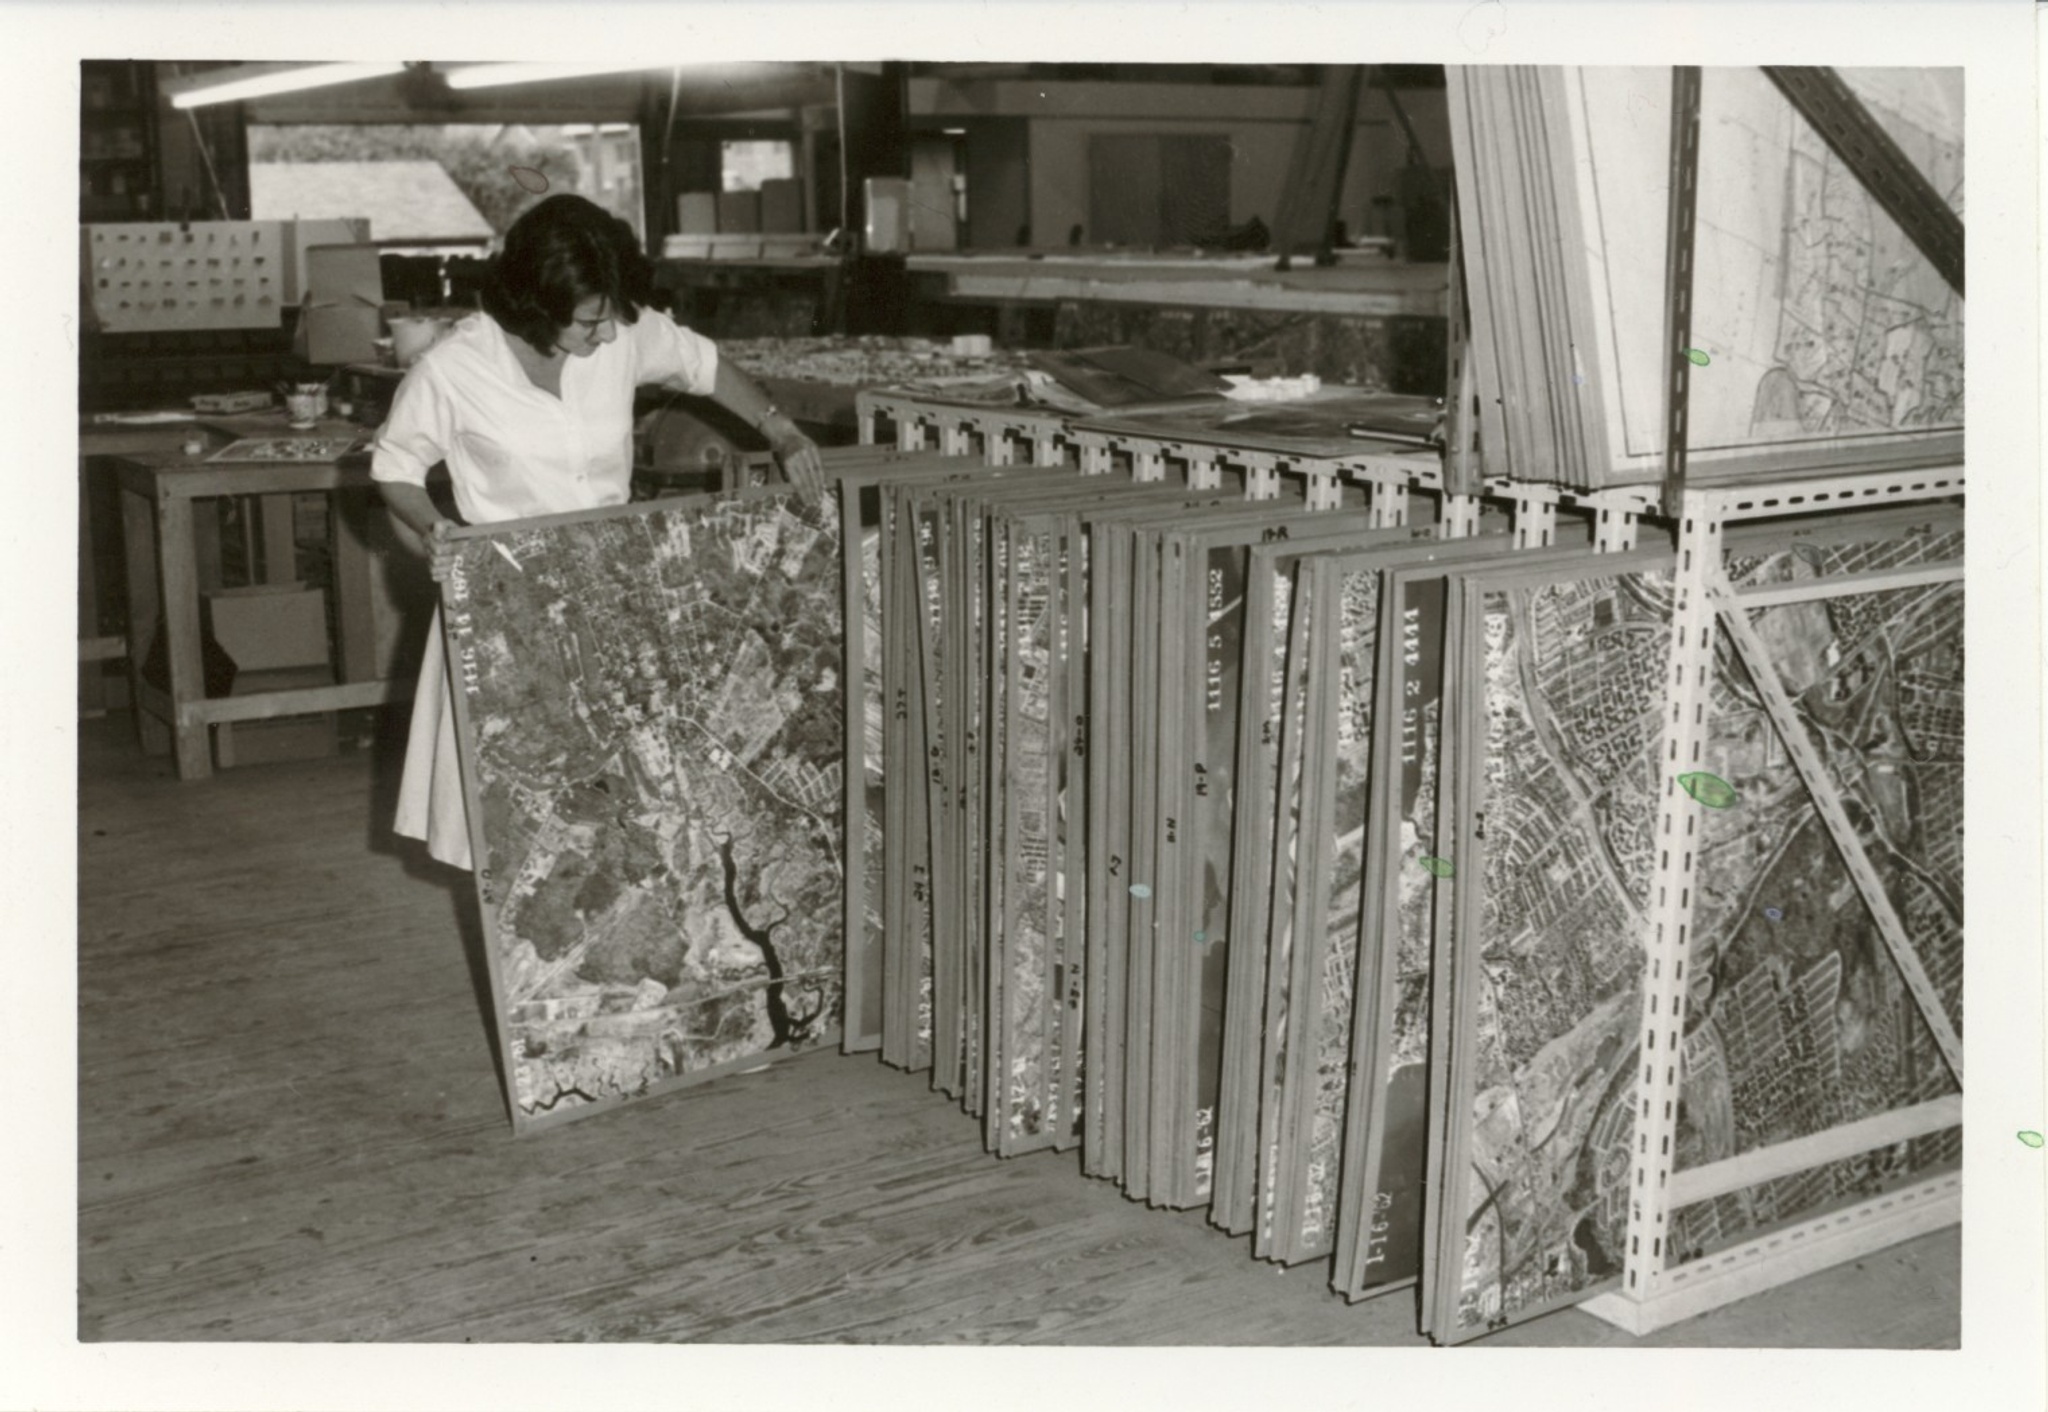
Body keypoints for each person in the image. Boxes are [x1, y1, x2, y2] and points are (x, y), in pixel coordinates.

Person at [370, 193, 825, 870]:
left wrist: (780, 429)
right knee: (520, 827)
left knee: (636, 808)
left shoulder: (620, 330)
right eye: (589, 321)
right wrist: (434, 528)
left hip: (613, 598)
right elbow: (394, 466)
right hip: (510, 608)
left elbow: (703, 366)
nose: (608, 334)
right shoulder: (455, 366)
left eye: (612, 316)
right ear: (536, 305)